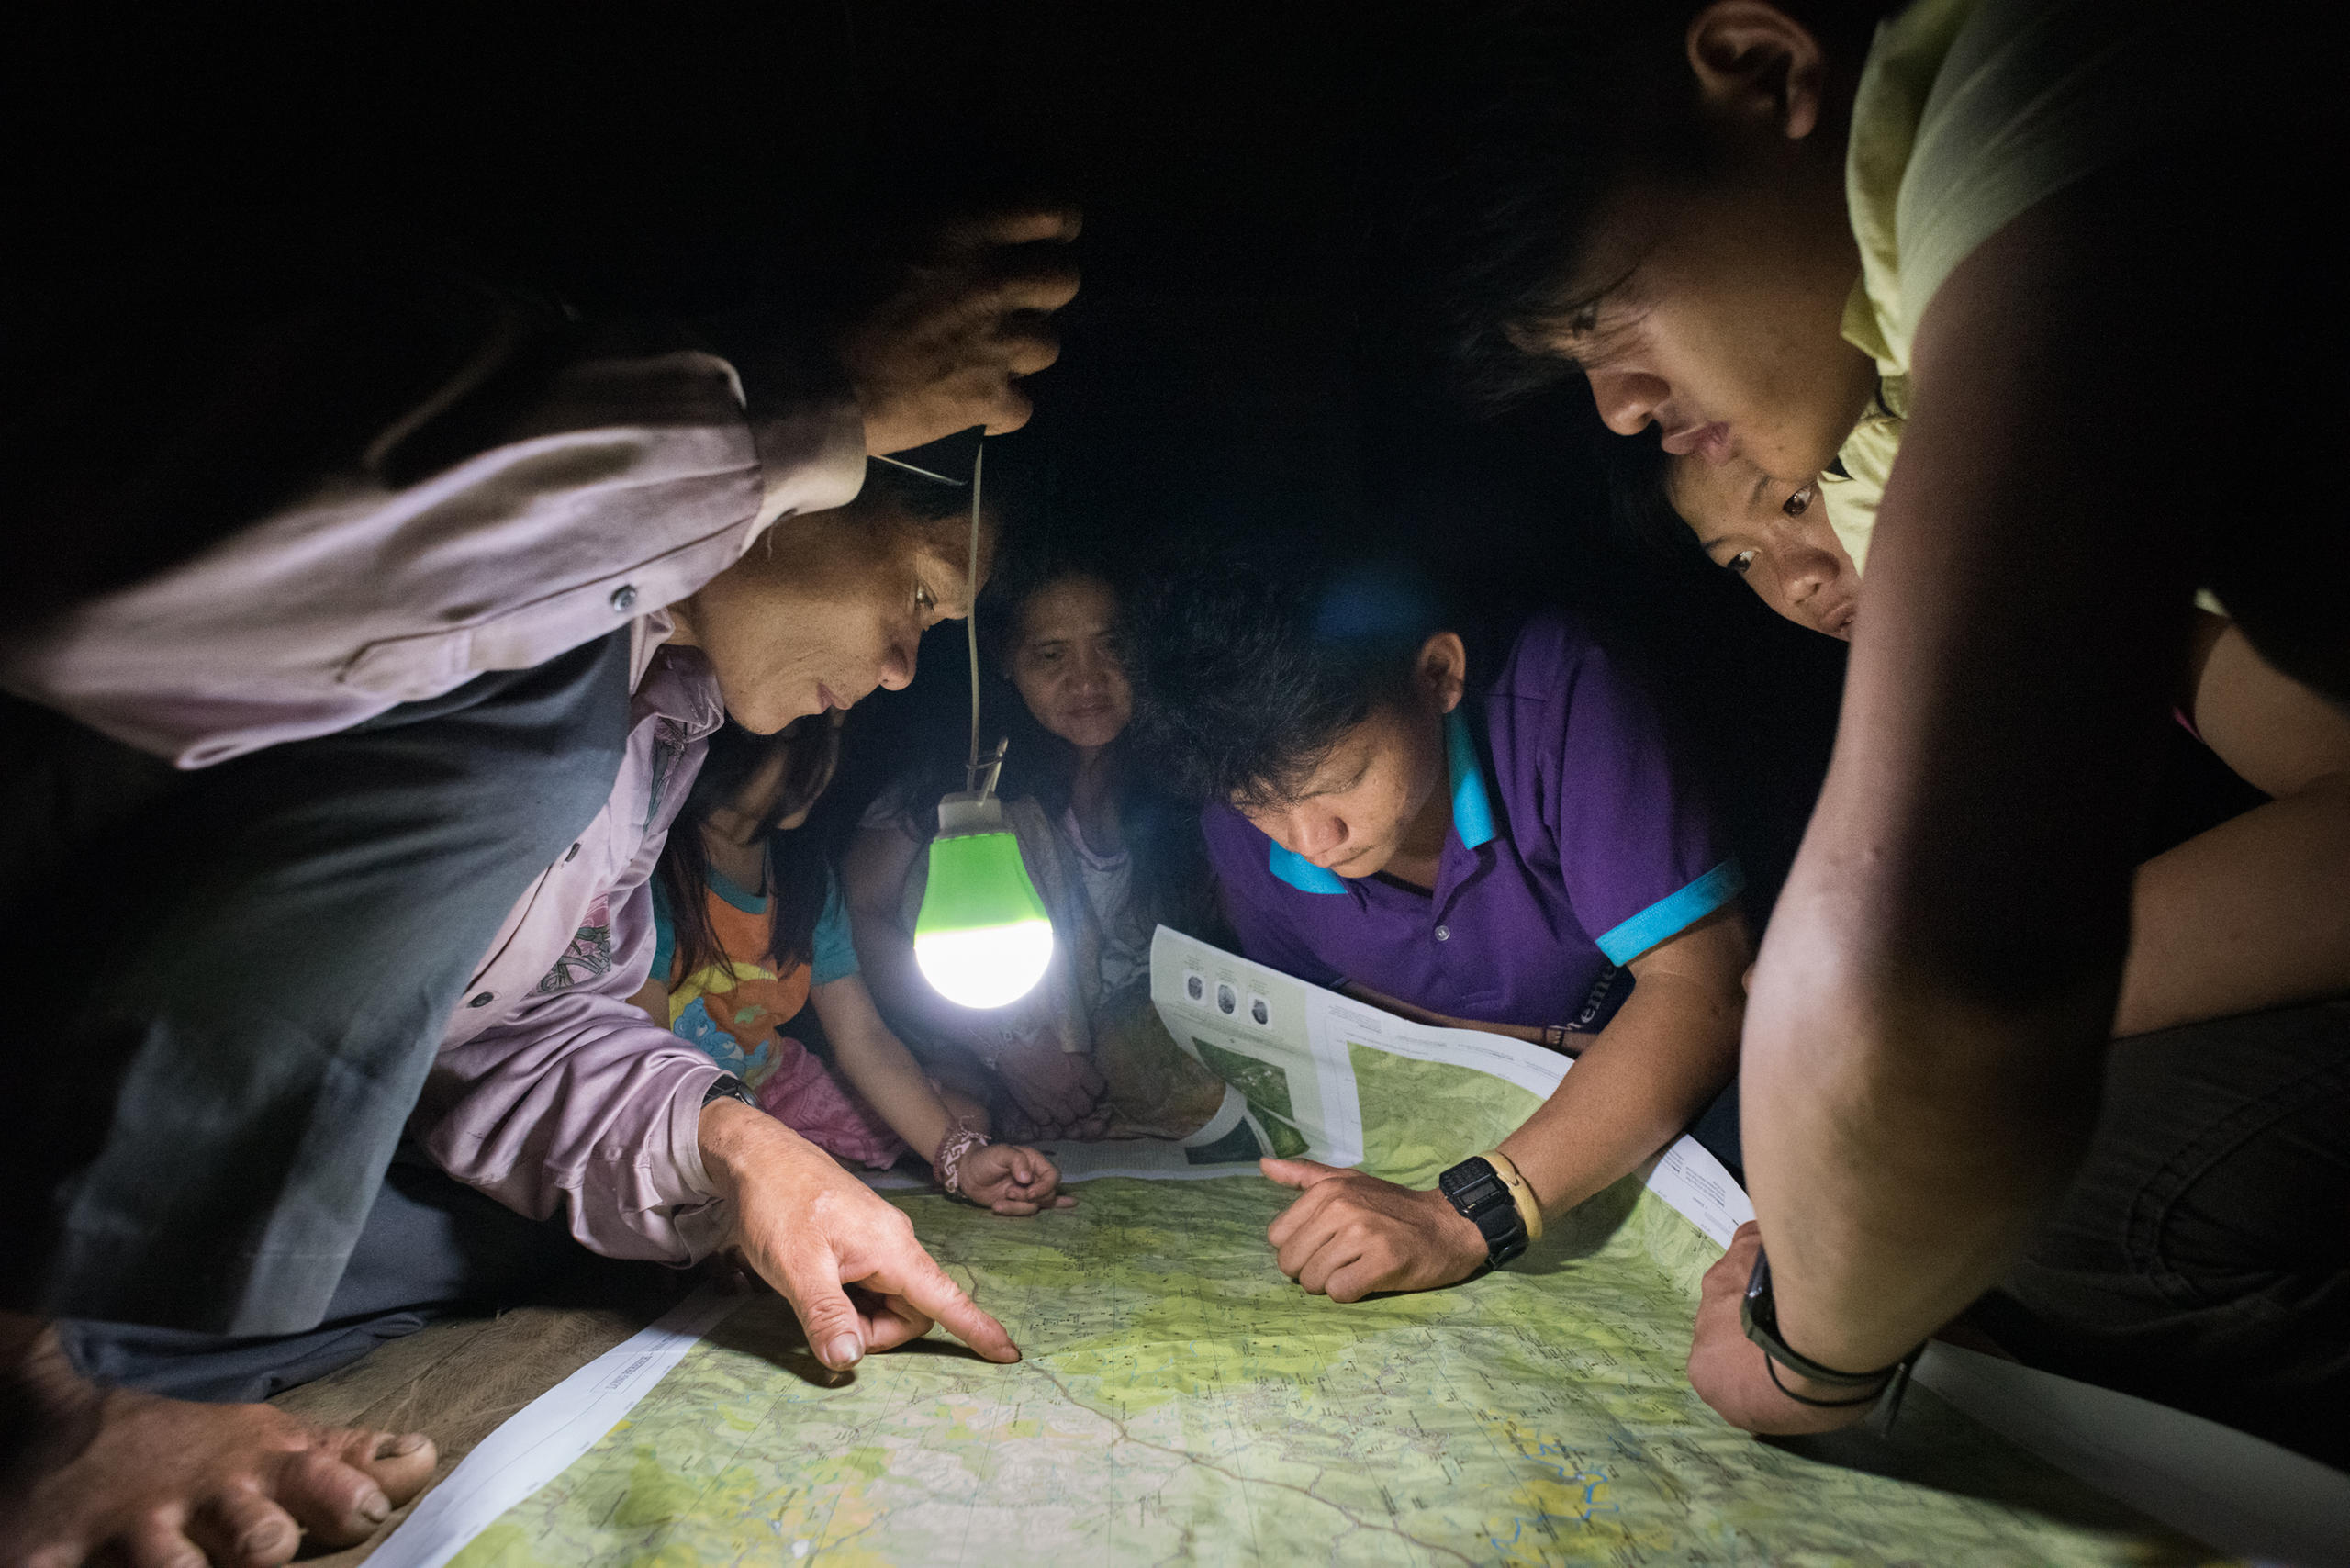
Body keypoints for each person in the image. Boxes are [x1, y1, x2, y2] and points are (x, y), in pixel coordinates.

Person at [1, 201, 1079, 1567]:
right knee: (539, 735)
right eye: (920, 600)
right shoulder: (480, 417)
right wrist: (805, 410)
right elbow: (103, 612)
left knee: (567, 1245)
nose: (901, 669)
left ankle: (129, 1341)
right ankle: (55, 1390)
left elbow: (504, 1029)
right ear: (827, 476)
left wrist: (738, 1148)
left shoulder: (662, 714)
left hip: (136, 1152)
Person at [1425, 0, 2349, 1456]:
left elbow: (1938, 951)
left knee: (2069, 1210)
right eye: (1744, 562)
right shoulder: (1882, 422)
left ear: (1764, 71)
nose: (1612, 406)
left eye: (1604, 316)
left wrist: (1809, 1351)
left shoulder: (2023, 78)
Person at [1124, 550, 1751, 1303]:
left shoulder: (1561, 700)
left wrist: (1462, 1219)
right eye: (1260, 803)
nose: (1310, 842)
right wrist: (1538, 1042)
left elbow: (1703, 991)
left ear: (1437, 676)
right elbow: (1325, 1013)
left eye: (1341, 783)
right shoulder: (1243, 825)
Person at [845, 547, 1226, 1141]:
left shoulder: (1185, 780)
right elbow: (858, 920)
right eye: (1051, 654)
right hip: (972, 1047)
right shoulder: (957, 776)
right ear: (1005, 660)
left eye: (1112, 646)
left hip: (1110, 1067)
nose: (1087, 679)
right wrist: (1009, 1049)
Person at [634, 709, 1073, 1215]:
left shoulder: (803, 876)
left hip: (770, 1085)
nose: (822, 762)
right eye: (796, 735)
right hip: (678, 1103)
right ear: (722, 736)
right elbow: (641, 1066)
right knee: (734, 1181)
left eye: (835, 735)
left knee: (963, 1117)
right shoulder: (653, 873)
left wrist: (963, 1163)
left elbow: (862, 1037)